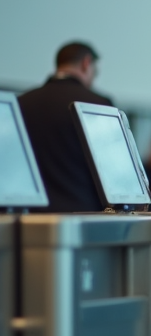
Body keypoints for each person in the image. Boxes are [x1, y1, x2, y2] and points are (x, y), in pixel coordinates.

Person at [17, 42, 111, 212]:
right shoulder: (98, 105)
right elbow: (109, 169)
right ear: (86, 63)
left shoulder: (22, 102)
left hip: (29, 217)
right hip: (82, 215)